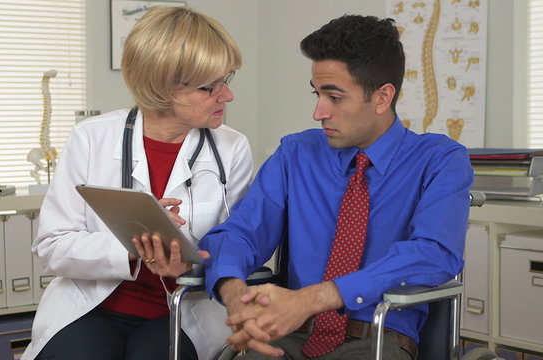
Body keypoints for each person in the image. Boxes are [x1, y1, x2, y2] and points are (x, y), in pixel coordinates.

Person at [199, 14, 474, 360]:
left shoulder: (440, 160)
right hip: (288, 335)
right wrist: (234, 291)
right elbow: (240, 233)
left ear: (382, 97)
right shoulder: (295, 153)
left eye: (334, 97)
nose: (318, 112)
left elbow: (434, 252)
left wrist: (313, 298)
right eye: (317, 94)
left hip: (376, 338)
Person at [21, 6, 253, 360]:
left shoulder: (232, 149)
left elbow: (241, 245)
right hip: (90, 305)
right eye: (211, 86)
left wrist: (187, 261)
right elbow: (52, 247)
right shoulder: (91, 138)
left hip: (183, 310)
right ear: (163, 87)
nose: (227, 95)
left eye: (228, 79)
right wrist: (133, 247)